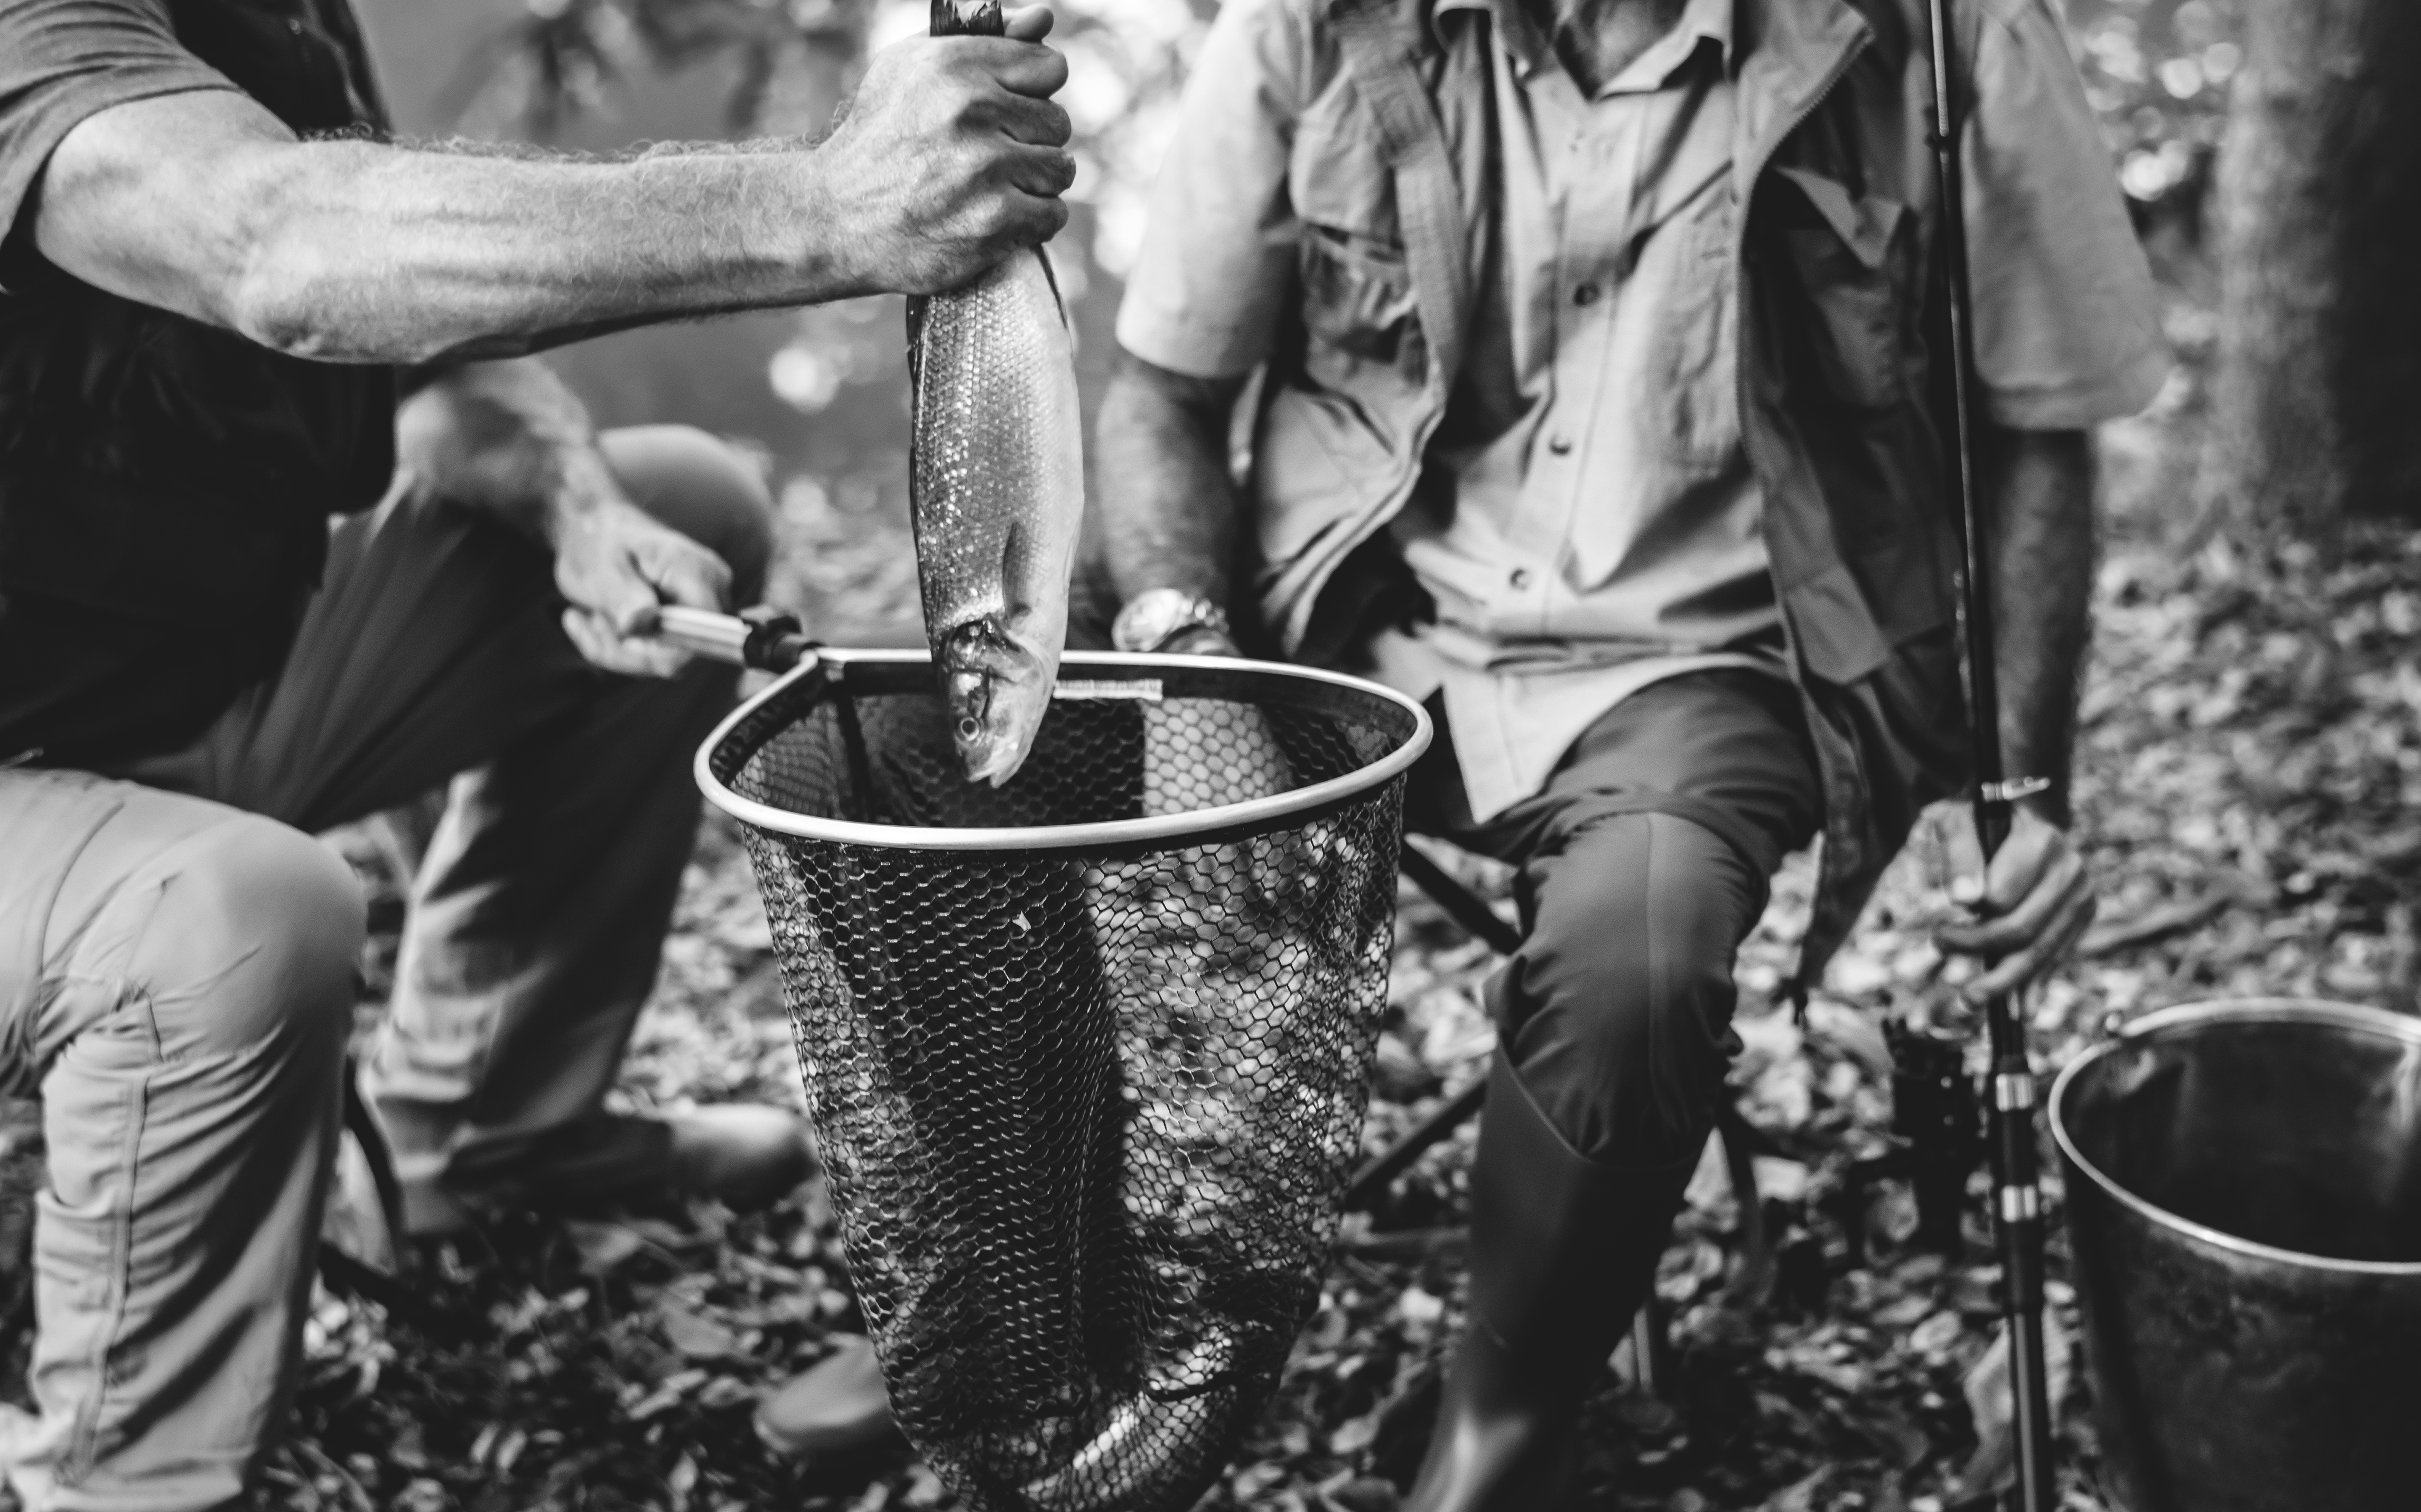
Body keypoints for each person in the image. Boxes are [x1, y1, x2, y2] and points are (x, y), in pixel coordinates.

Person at [0, 1, 1073, 1505]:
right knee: (241, 916)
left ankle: (479, 1138)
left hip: (181, 683)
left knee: (683, 501)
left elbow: (416, 340)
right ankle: (112, 1482)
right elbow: (276, 247)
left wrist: (577, 506)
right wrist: (830, 207)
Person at [1095, 0, 2165, 1505]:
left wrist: (2024, 793)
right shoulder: (1315, 23)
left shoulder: (1948, 35)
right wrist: (1188, 659)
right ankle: (1009, 1302)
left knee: (1640, 955)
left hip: (1704, 665)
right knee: (959, 734)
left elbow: (2041, 433)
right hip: (1344, 623)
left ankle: (1504, 1430)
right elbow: (1165, 393)